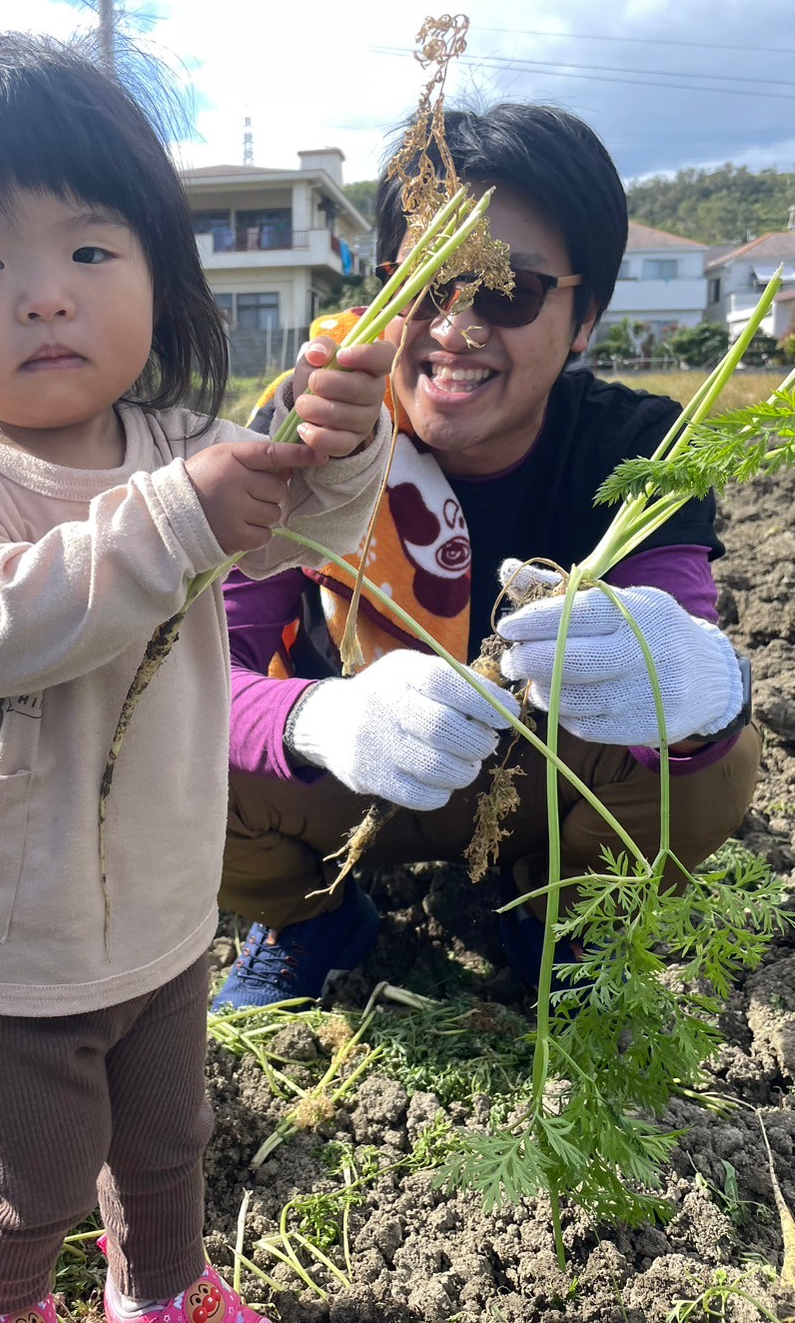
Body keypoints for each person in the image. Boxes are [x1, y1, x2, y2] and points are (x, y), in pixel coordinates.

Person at [0, 30, 397, 1323]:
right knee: (24, 1178)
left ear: (158, 269)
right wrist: (176, 519)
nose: (43, 293)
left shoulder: (185, 443)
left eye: (91, 249)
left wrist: (343, 444)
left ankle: (161, 1290)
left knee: (165, 1143)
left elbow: (315, 527)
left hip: (160, 910)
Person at [214, 102, 761, 1013]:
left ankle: (556, 909)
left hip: (542, 785)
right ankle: (308, 922)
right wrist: (322, 718)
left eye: (505, 291)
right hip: (353, 784)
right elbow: (209, 676)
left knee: (720, 758)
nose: (454, 328)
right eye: (424, 285)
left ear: (582, 319)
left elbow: (683, 648)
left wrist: (696, 680)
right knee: (157, 753)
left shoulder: (635, 446)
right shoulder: (308, 427)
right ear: (384, 291)